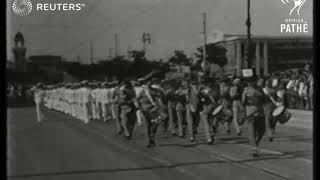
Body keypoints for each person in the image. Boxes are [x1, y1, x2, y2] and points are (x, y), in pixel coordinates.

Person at [242, 80, 265, 157]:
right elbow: (243, 102)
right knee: (255, 132)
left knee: (258, 132)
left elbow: (264, 101)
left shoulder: (259, 91)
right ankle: (255, 148)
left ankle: (255, 146)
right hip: (253, 114)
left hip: (256, 113)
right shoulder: (248, 91)